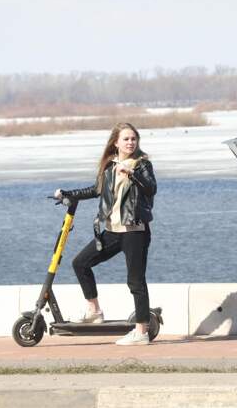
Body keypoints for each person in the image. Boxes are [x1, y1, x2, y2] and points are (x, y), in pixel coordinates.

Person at [55, 122, 156, 346]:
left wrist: (131, 174)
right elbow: (96, 189)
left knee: (135, 281)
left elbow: (151, 189)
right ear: (116, 142)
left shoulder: (142, 165)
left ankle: (141, 332)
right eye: (126, 139)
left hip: (135, 231)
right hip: (113, 230)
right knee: (80, 263)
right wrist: (68, 194)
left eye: (133, 139)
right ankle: (94, 310)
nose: (130, 142)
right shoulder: (110, 166)